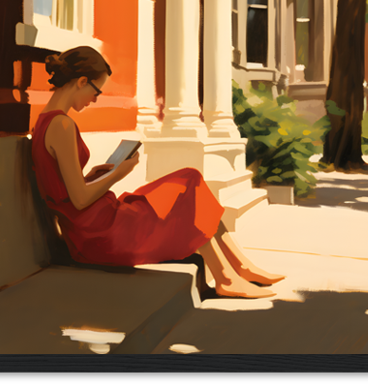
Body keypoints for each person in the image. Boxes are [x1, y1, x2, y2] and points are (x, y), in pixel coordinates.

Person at [31, 46, 283, 299]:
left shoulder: (45, 121)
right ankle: (226, 278)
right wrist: (120, 173)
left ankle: (238, 267)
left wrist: (93, 174)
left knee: (190, 179)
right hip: (98, 234)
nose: (95, 99)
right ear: (81, 82)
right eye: (96, 91)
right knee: (188, 190)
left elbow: (63, 190)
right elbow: (80, 199)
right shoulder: (61, 124)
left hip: (93, 225)